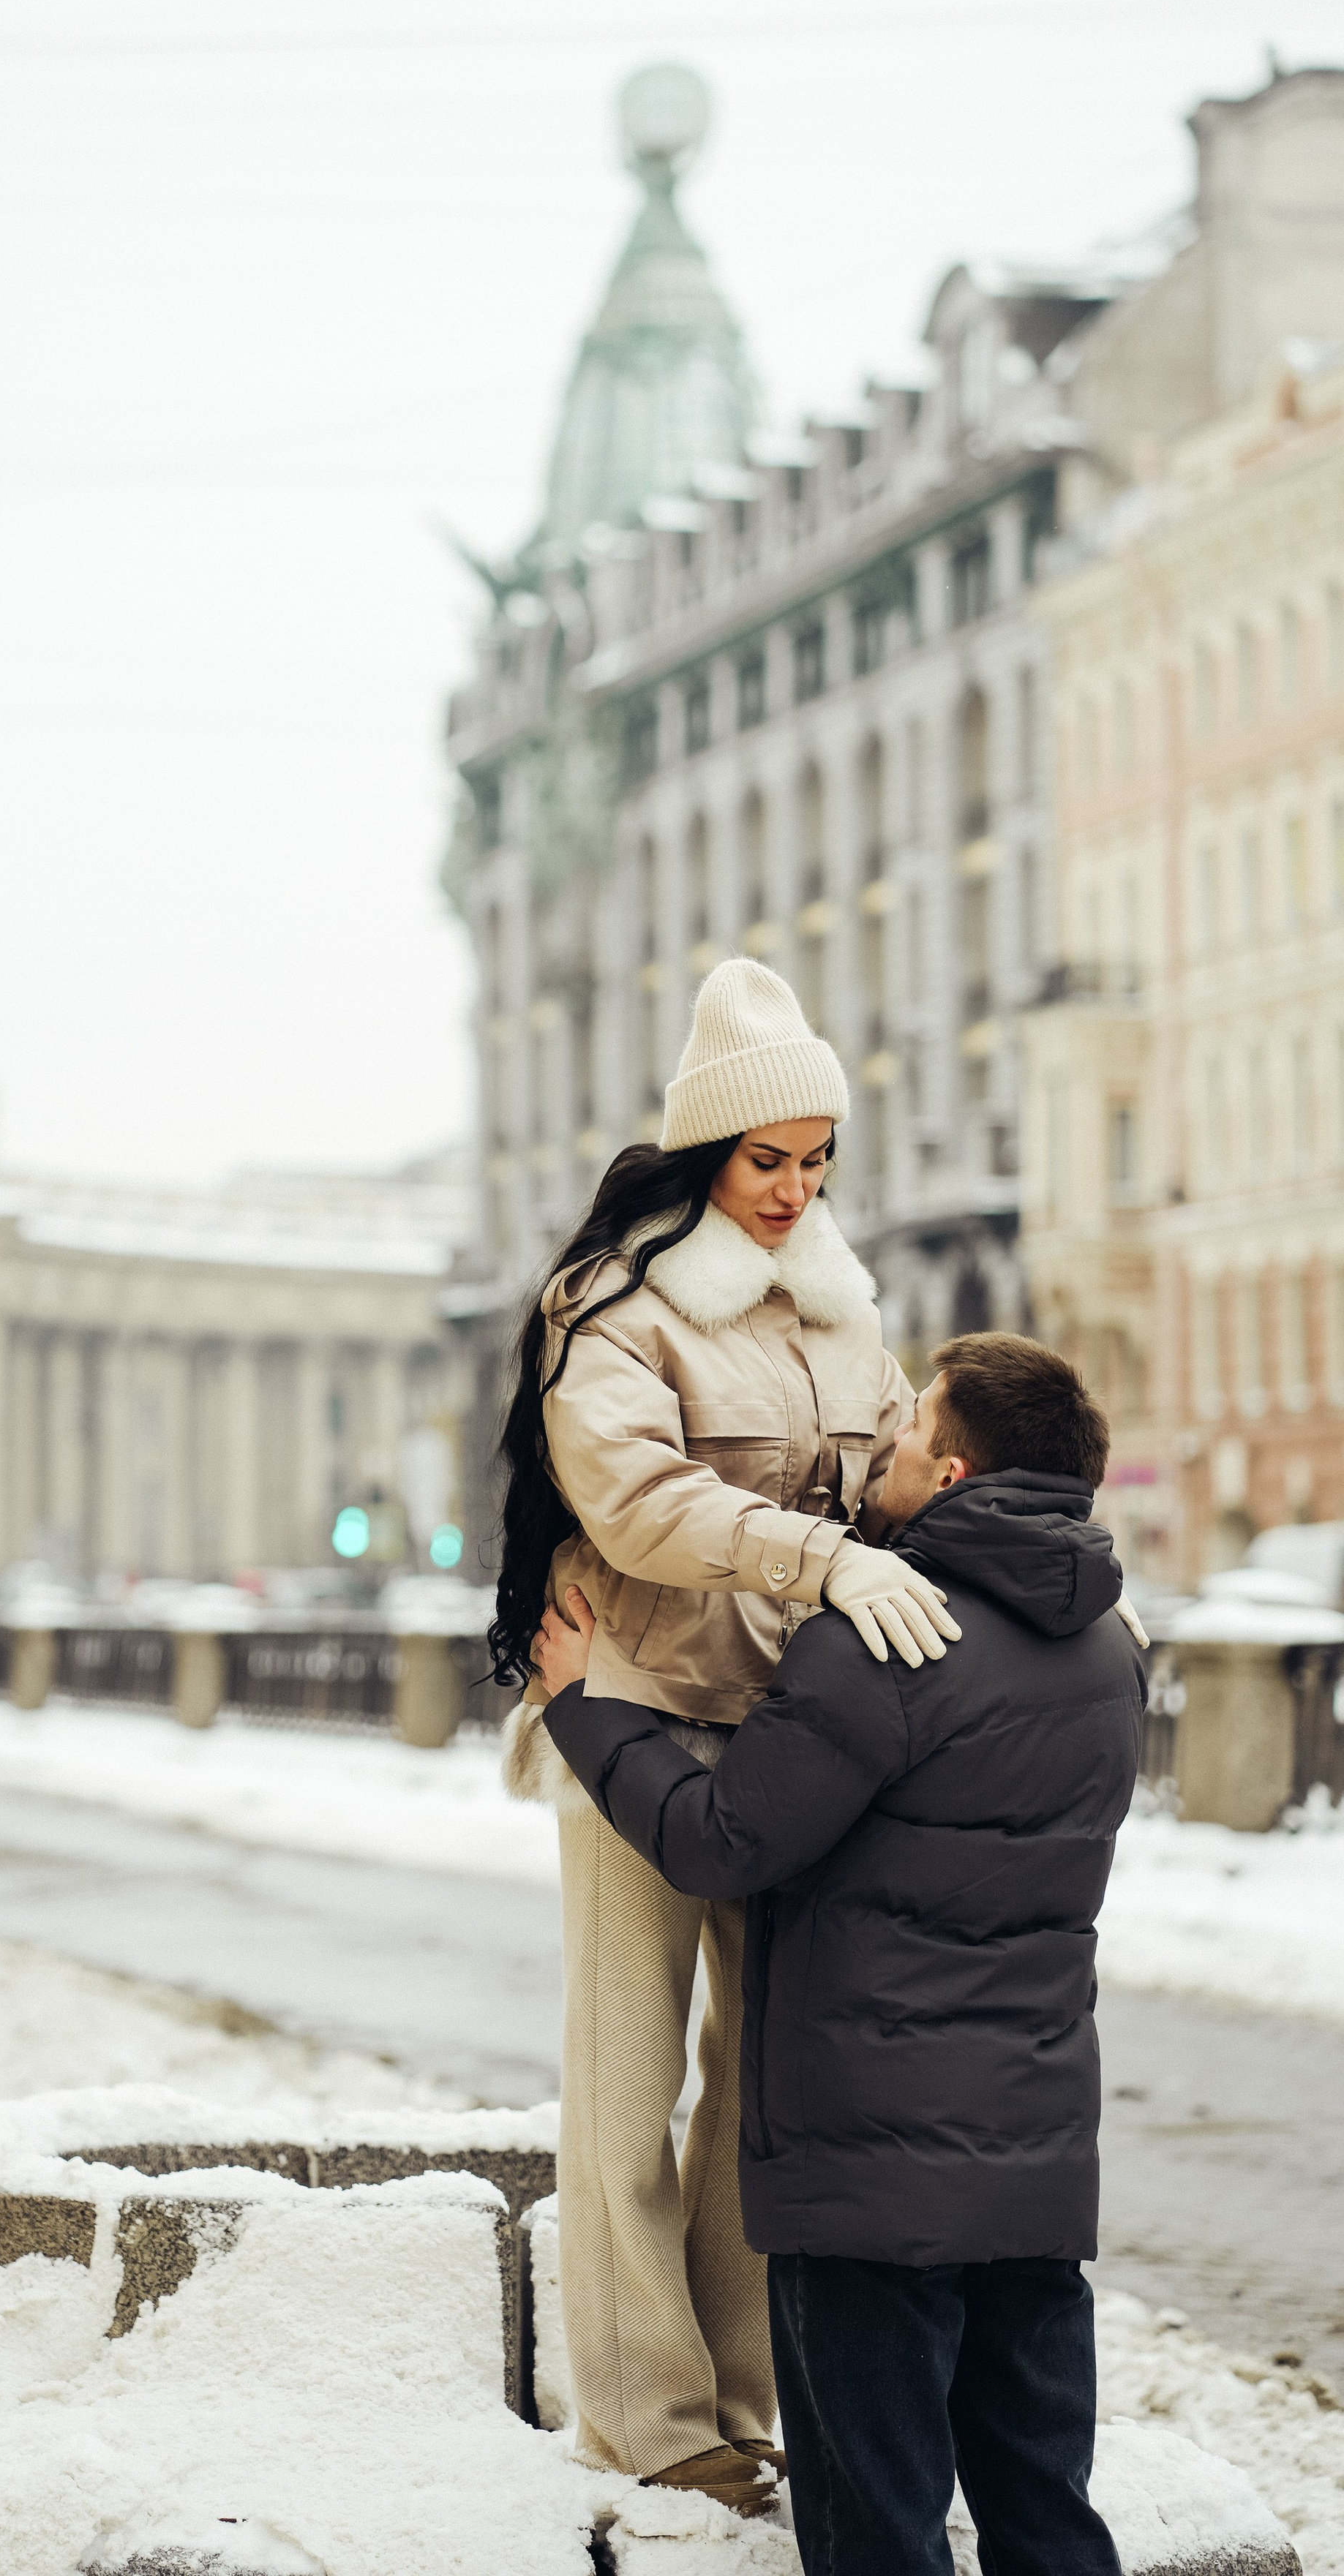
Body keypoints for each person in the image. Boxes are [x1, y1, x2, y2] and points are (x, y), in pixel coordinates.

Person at [532, 1331, 1147, 2575]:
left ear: (957, 1473)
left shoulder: (882, 1639)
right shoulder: (1111, 1648)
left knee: (878, 2530)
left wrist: (583, 1708)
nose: (888, 1443)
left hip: (866, 2183)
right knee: (1047, 2518)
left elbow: (720, 1840)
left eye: (914, 1427)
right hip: (1032, 2175)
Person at [489, 957, 957, 2515]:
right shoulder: (611, 1310)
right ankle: (643, 2414)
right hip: (626, 1709)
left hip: (792, 1743)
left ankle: (743, 2403)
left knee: (766, 2085)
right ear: (705, 1155)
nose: (794, 1190)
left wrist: (1049, 1588)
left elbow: (909, 1478)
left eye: (816, 1161)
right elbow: (633, 1501)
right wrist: (814, 1555)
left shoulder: (840, 1313)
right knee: (626, 2082)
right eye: (768, 1160)